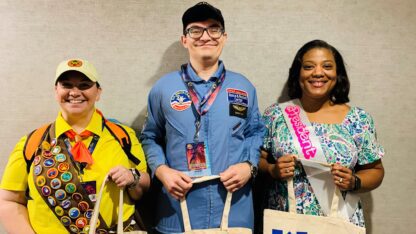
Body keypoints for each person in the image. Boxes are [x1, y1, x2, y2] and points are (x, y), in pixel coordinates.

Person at [140, 2, 264, 233]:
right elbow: (149, 137)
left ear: (224, 37)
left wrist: (249, 165)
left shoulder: (243, 87)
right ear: (184, 39)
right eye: (195, 30)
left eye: (214, 29)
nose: (205, 36)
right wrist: (161, 170)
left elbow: (255, 133)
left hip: (233, 210)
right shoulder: (163, 88)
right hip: (178, 211)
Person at [0, 58, 150, 233]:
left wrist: (132, 178)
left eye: (84, 85)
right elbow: (9, 200)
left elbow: (143, 189)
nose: (75, 92)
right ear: (56, 91)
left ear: (98, 92)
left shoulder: (123, 137)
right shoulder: (33, 142)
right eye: (66, 85)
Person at [259, 39, 384, 229]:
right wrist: (272, 170)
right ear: (298, 73)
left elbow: (375, 171)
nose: (318, 72)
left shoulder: (359, 119)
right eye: (309, 66)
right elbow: (255, 160)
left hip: (339, 222)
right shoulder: (275, 115)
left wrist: (354, 181)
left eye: (327, 66)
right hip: (287, 223)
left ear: (337, 74)